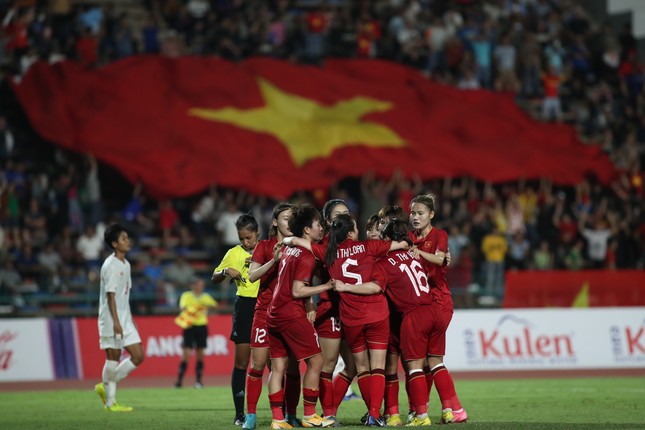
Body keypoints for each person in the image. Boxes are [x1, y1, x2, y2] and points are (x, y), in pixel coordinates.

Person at [266, 204, 335, 429]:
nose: (321, 228)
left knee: (278, 368)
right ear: (307, 230)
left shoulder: (289, 250)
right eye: (317, 225)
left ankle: (278, 420)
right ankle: (309, 415)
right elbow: (298, 291)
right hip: (290, 313)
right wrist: (325, 285)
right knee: (316, 361)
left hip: (273, 313)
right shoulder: (306, 255)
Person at [409, 194, 467, 424]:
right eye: (412, 213)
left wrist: (417, 253)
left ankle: (441, 409)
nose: (415, 217)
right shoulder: (409, 238)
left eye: (420, 213)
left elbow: (439, 258)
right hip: (420, 303)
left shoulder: (439, 235)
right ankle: (439, 409)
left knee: (431, 359)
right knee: (425, 361)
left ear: (431, 214)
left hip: (440, 302)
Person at [244, 203, 296, 429]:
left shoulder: (298, 248)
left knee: (287, 367)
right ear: (275, 222)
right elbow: (252, 276)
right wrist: (273, 261)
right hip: (265, 312)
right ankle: (251, 415)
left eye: (293, 219)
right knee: (258, 364)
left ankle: (289, 414)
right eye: (286, 218)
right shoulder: (264, 246)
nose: (290, 223)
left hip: (291, 314)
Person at [212, 214, 261, 426]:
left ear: (257, 233)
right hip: (244, 307)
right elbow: (214, 277)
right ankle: (239, 413)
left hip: (265, 305)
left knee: (272, 362)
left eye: (249, 237)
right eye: (242, 238)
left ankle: (283, 411)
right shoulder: (233, 253)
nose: (245, 242)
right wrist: (225, 270)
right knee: (241, 362)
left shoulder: (268, 249)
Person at [94, 223, 144, 412]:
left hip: (125, 317)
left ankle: (105, 383)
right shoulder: (110, 265)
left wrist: (129, 319)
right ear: (114, 243)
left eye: (127, 237)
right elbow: (111, 295)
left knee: (138, 356)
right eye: (123, 238)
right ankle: (110, 402)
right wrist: (115, 322)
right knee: (113, 357)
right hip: (110, 317)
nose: (127, 241)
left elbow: (124, 295)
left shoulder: (126, 264)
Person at [174, 276, 218, 388]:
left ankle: (198, 381)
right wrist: (197, 307)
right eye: (198, 285)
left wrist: (208, 306)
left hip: (202, 326)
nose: (200, 287)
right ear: (193, 285)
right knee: (187, 354)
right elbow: (182, 308)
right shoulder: (186, 296)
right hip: (189, 326)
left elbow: (215, 306)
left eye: (202, 285)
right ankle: (179, 381)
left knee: (200, 354)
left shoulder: (205, 297)